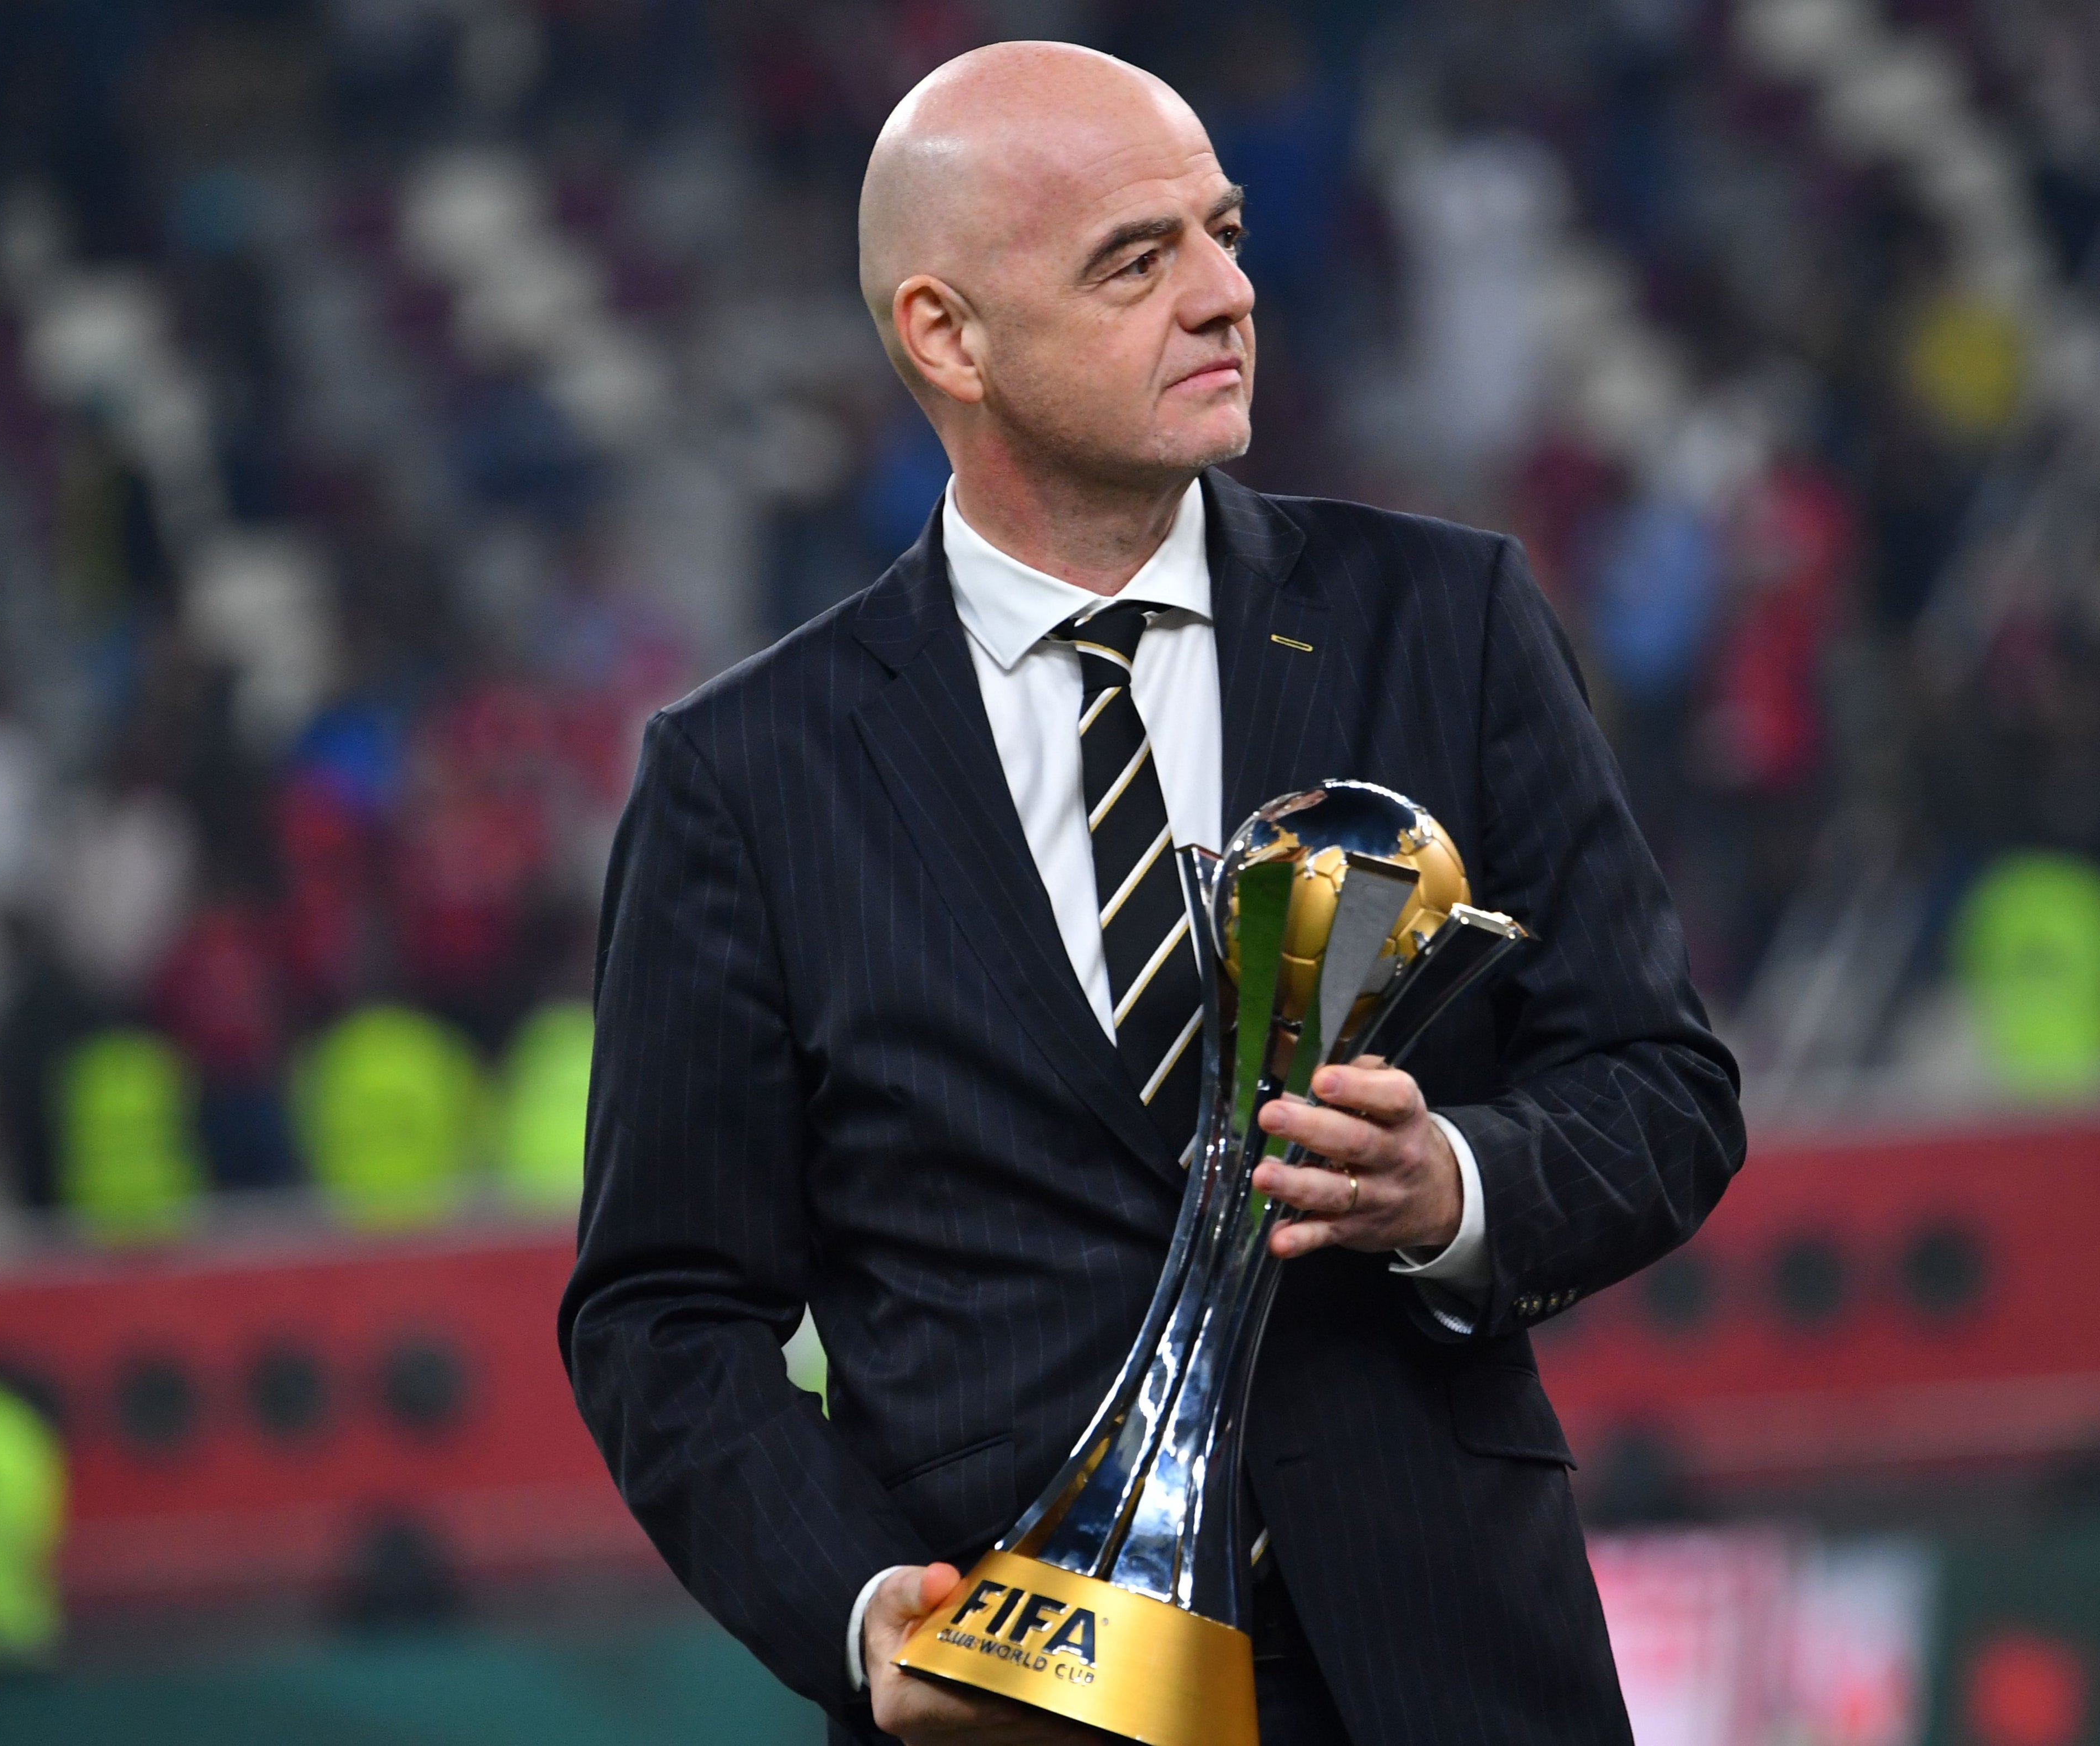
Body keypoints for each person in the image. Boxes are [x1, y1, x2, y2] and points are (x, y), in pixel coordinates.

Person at [562, 41, 1744, 1746]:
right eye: (1137, 260)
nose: (1225, 296)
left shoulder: (1449, 621)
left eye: (1225, 231)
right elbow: (664, 1306)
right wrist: (854, 1600)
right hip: (1028, 1695)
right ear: (945, 335)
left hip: (1451, 1670)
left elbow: (1665, 1088)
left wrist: (1452, 1184)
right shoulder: (745, 776)